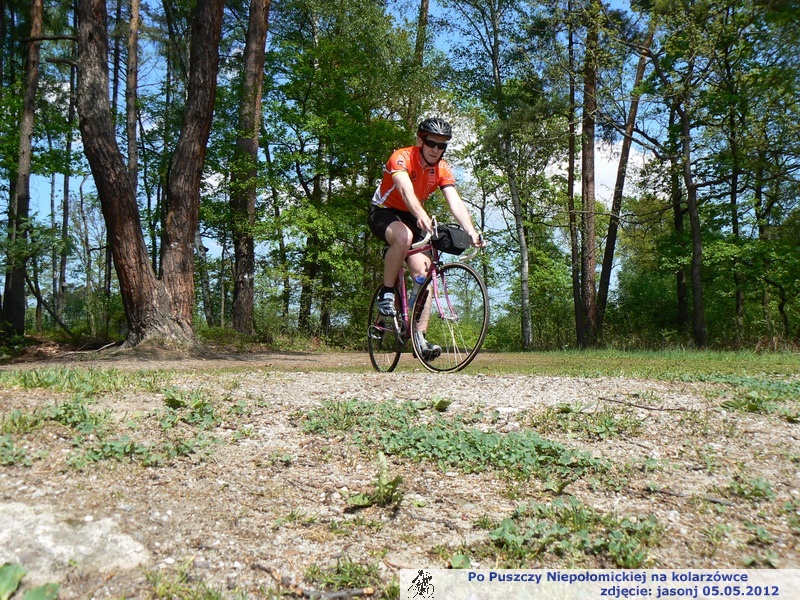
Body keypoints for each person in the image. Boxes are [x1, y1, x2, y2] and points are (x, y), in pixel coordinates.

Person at [368, 117, 483, 359]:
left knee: (424, 274)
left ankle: (419, 338)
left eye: (442, 146)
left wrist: (471, 230)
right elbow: (405, 191)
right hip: (385, 211)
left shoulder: (442, 168)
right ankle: (387, 293)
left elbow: (455, 201)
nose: (436, 150)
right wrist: (421, 215)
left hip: (413, 214)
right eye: (432, 143)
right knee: (404, 236)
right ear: (420, 140)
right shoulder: (401, 157)